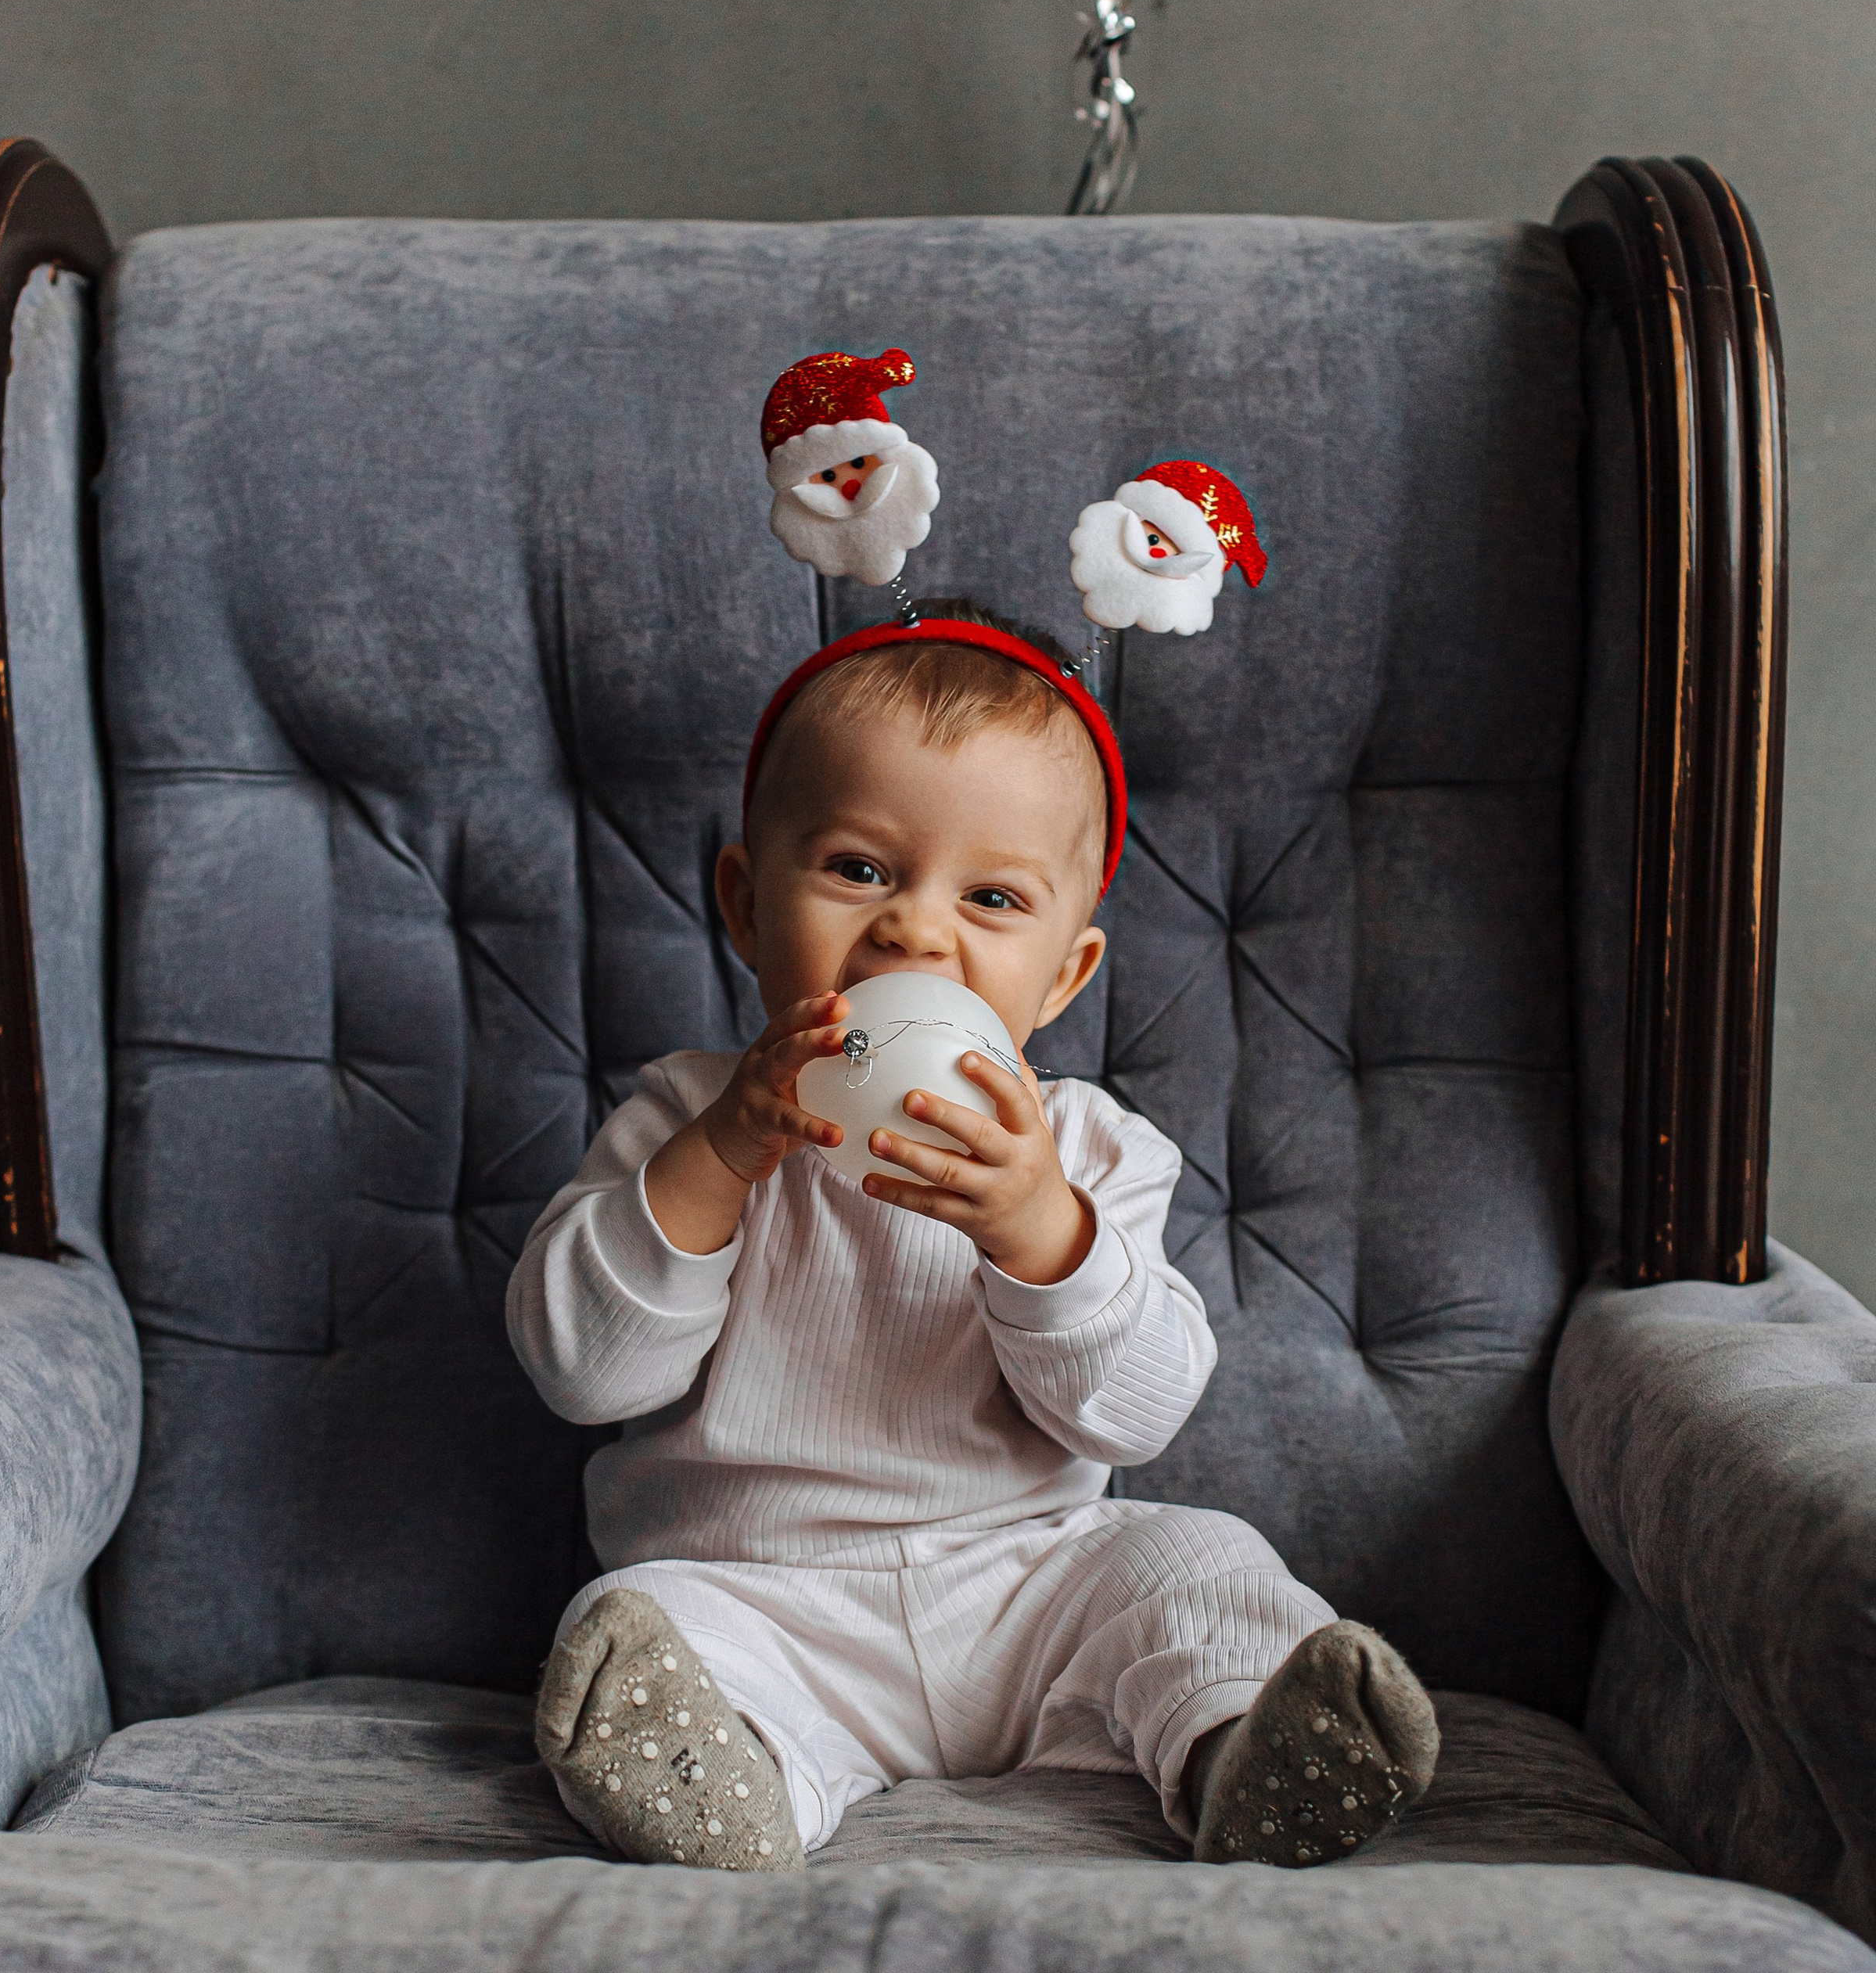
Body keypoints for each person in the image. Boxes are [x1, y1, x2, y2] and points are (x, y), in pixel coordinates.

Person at [507, 606, 1440, 1873]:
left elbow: (1137, 1415)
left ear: (1064, 975)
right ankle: (730, 1778)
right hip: (762, 1594)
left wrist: (1039, 1231)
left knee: (1198, 1559)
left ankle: (1239, 1749)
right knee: (634, 1618)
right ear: (744, 902)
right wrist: (722, 1158)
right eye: (857, 869)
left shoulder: (1094, 1153)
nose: (915, 933)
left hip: (1028, 1589)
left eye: (993, 897)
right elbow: (584, 1372)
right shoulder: (685, 1117)